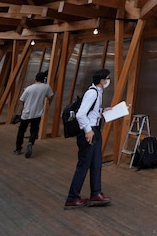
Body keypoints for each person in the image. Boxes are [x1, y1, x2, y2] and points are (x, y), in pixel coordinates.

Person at [65, 69, 113, 210]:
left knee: (96, 163)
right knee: (84, 165)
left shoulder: (97, 92)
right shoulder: (92, 93)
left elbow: (91, 111)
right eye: (108, 78)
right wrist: (88, 130)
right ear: (101, 80)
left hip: (95, 130)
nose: (109, 81)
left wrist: (102, 111)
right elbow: (81, 114)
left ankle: (96, 193)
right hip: (90, 131)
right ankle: (72, 197)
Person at [14, 71, 53, 158]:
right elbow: (50, 96)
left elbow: (22, 100)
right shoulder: (46, 87)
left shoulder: (29, 88)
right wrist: (48, 103)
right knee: (34, 130)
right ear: (44, 79)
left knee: (21, 131)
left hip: (26, 113)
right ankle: (31, 142)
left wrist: (20, 111)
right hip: (37, 113)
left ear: (35, 78)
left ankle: (18, 149)